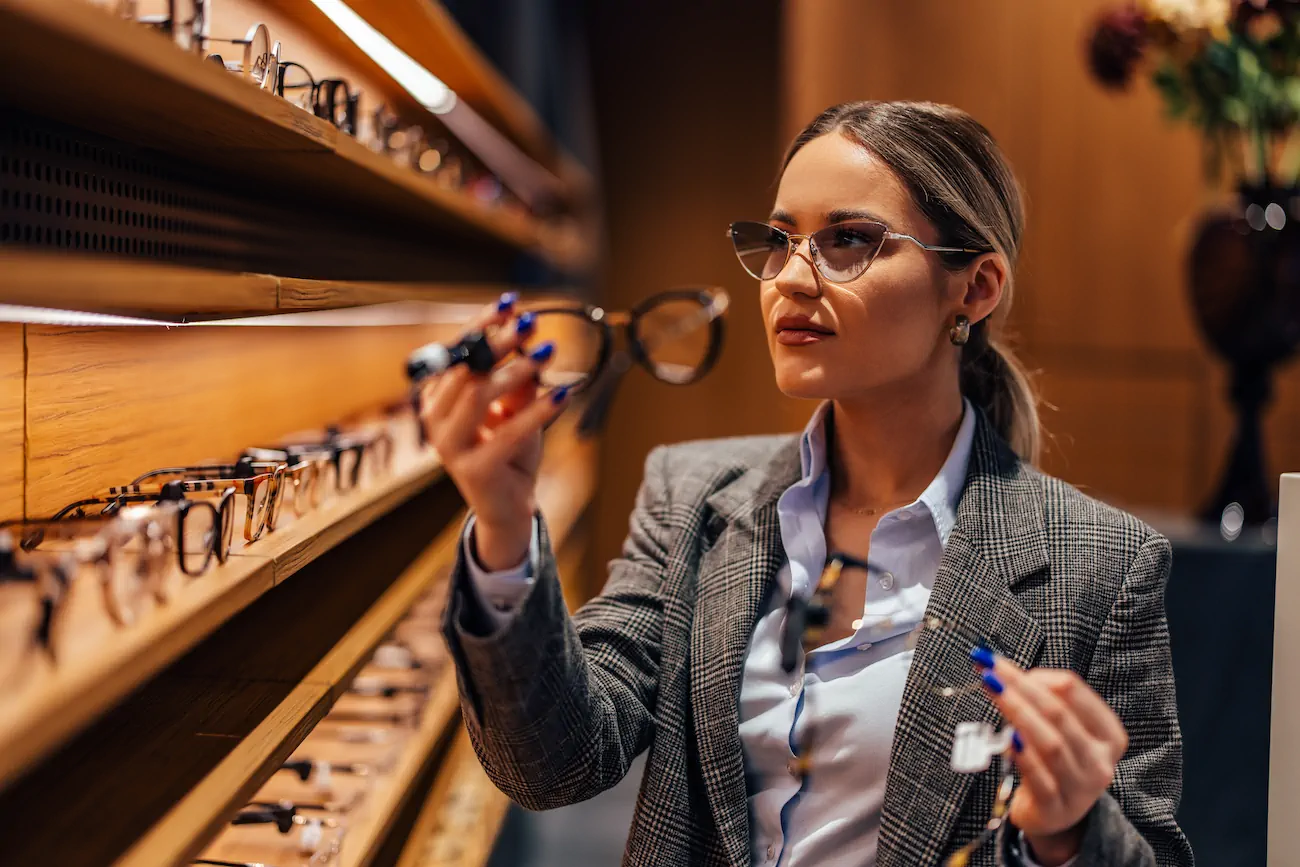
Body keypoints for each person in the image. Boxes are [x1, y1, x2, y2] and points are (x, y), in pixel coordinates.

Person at [420, 101, 1194, 867]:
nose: (791, 278)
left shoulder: (1100, 563)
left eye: (848, 240)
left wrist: (1064, 833)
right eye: (781, 239)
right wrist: (503, 521)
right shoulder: (691, 493)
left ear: (976, 286)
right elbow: (556, 762)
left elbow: (1147, 850)